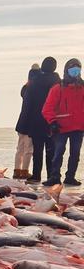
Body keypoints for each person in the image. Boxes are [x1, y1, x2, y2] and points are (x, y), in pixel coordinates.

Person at [17, 57, 61, 183]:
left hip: (36, 121)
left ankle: (36, 175)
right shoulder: (58, 82)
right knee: (51, 151)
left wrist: (25, 123)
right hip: (52, 121)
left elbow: (27, 104)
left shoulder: (35, 82)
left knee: (37, 151)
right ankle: (52, 176)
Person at [41, 58, 84, 187]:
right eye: (73, 69)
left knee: (75, 154)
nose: (75, 71)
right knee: (58, 153)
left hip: (79, 127)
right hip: (60, 128)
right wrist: (52, 122)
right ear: (66, 70)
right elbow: (47, 108)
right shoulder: (57, 88)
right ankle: (55, 176)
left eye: (78, 69)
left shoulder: (83, 88)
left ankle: (70, 177)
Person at [12, 64, 41, 179]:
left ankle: (16, 170)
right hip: (30, 123)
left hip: (22, 121)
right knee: (28, 149)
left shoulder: (25, 88)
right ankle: (24, 171)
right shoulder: (36, 89)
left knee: (20, 148)